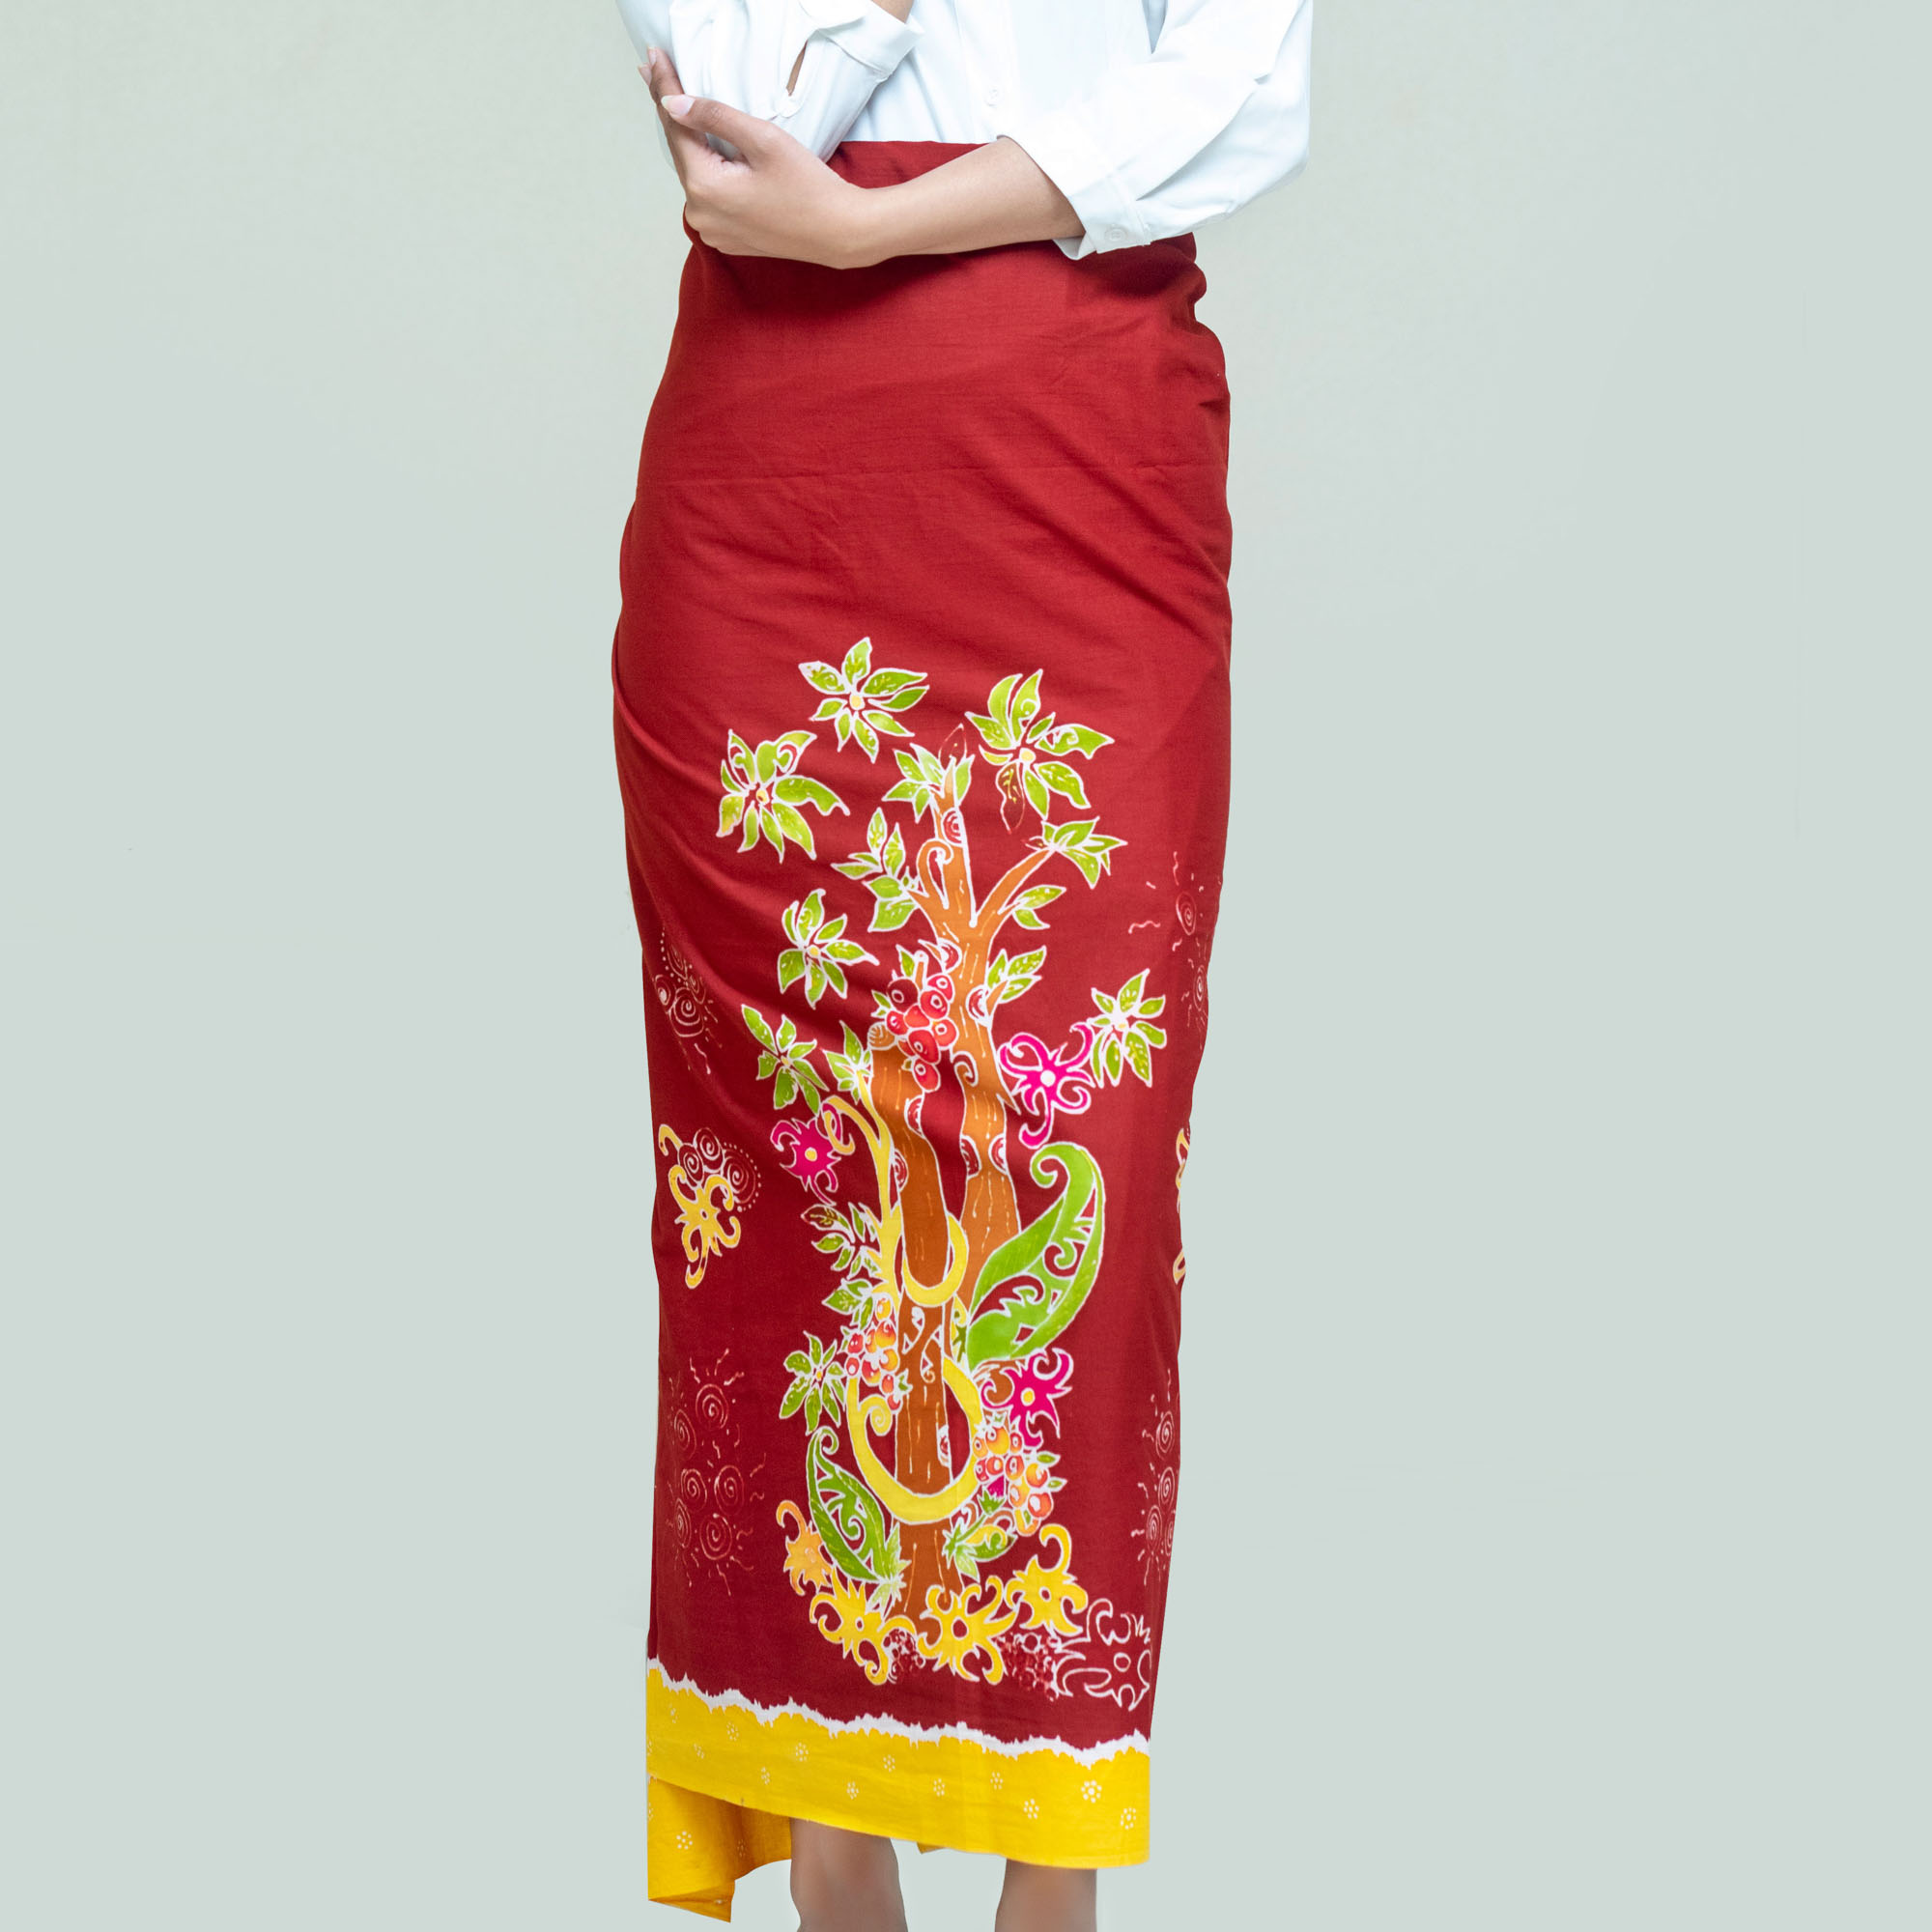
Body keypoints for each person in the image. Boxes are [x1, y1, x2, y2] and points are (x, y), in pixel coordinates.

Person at [610, 3, 1313, 1923]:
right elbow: (740, 124)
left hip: (1076, 484)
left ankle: (1046, 1866)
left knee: (1073, 1151)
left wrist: (874, 228)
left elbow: (1245, 85)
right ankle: (831, 1828)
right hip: (773, 507)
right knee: (799, 1180)